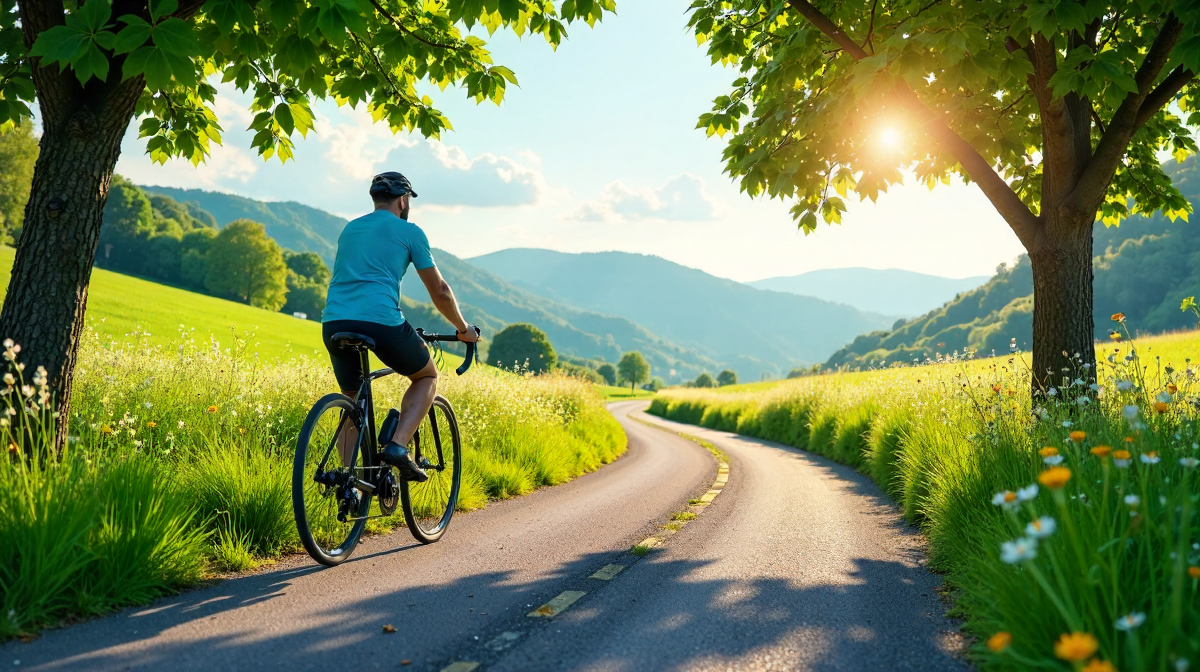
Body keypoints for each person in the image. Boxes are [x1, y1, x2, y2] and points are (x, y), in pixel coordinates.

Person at [322, 171, 479, 482]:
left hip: (334, 321)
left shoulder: (350, 229)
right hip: (381, 322)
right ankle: (397, 445)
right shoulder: (410, 232)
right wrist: (462, 329)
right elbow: (441, 292)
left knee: (352, 400)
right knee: (426, 375)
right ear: (404, 201)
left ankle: (350, 483)